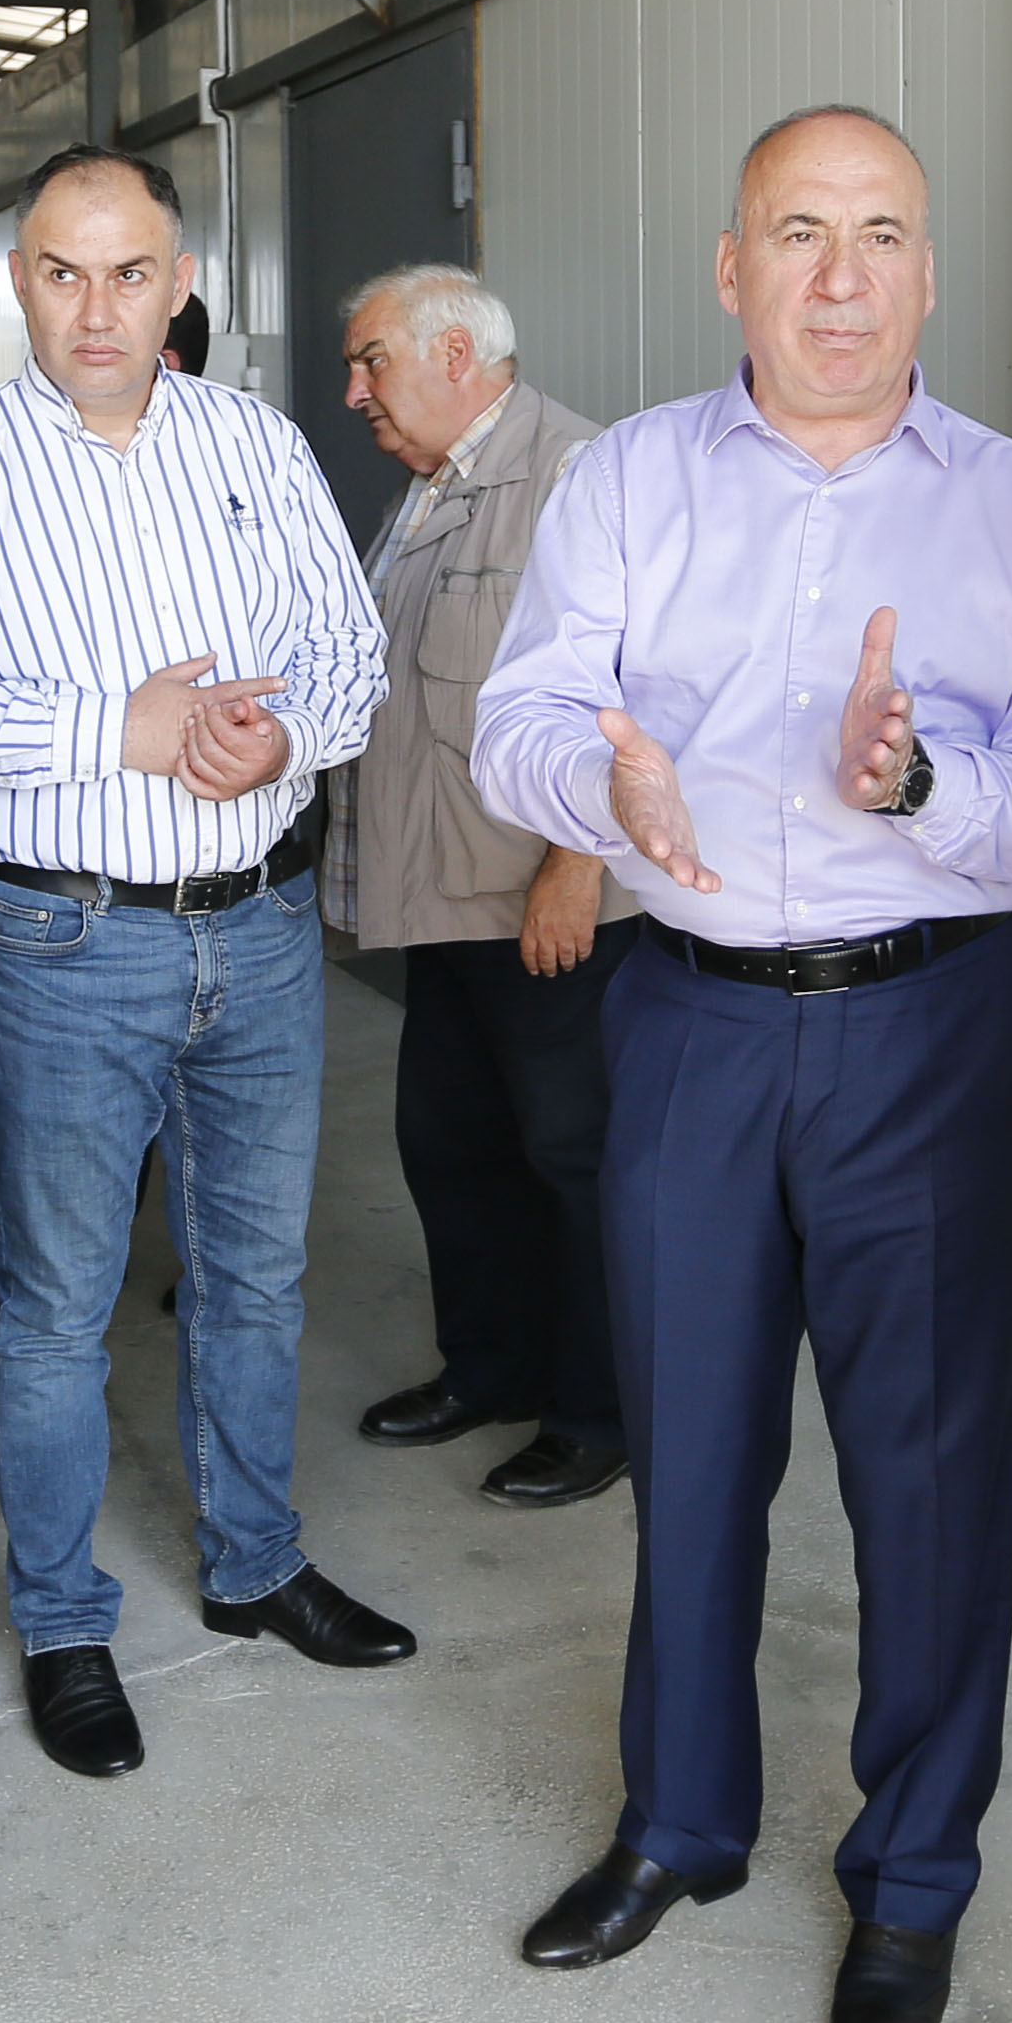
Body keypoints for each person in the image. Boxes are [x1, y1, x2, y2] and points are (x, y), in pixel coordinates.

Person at [474, 105, 1012, 2023]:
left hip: (926, 1031)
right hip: (689, 1023)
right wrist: (609, 785)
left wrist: (921, 782)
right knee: (687, 1449)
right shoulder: (627, 480)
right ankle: (679, 1823)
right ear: (729, 266)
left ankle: (911, 1877)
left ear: (928, 273)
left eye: (878, 236)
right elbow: (516, 721)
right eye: (796, 233)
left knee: (925, 1475)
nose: (838, 278)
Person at [0, 143, 403, 1786]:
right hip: (63, 936)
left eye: (128, 272)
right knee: (54, 1307)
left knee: (257, 1278)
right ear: (16, 283)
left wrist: (282, 738)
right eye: (61, 271)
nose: (96, 308)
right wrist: (130, 729)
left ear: (179, 282)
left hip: (261, 926)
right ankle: (60, 1622)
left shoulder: (255, 444)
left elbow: (352, 652)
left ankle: (255, 1562)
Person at [335, 264, 628, 1509]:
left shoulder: (579, 475)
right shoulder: (427, 490)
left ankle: (597, 1412)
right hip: (444, 897)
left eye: (372, 362)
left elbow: (641, 696)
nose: (355, 392)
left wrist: (577, 863)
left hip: (541, 905)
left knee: (573, 1158)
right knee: (454, 1148)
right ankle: (490, 1369)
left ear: (455, 355)